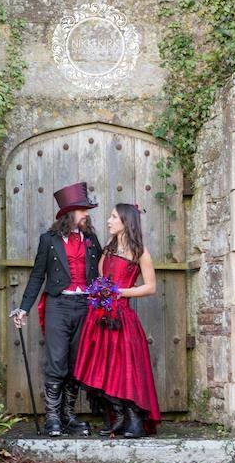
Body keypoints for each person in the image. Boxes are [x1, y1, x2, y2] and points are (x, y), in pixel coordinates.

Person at [12, 182, 102, 437]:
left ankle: (68, 415)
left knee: (76, 361)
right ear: (69, 213)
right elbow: (37, 276)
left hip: (85, 306)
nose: (87, 214)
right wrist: (24, 309)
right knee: (57, 360)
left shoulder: (92, 240)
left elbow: (100, 273)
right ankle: (52, 416)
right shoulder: (48, 240)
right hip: (58, 305)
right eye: (83, 209)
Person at [74, 203, 161, 438]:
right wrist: (101, 293)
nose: (109, 221)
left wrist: (120, 292)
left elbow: (151, 287)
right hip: (101, 316)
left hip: (122, 317)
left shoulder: (141, 252)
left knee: (126, 367)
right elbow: (102, 278)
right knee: (103, 365)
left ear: (126, 221)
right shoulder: (108, 249)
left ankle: (134, 419)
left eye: (113, 217)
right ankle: (118, 415)